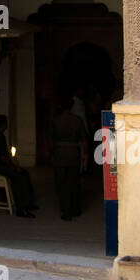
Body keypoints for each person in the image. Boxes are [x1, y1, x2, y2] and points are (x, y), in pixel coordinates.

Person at [0, 114, 38, 217]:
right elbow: (3, 157)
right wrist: (13, 166)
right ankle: (22, 207)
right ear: (3, 124)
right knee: (19, 178)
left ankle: (29, 202)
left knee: (24, 173)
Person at [50, 92, 85, 220]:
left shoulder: (55, 120)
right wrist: (84, 156)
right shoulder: (78, 120)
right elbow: (83, 140)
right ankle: (74, 208)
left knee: (61, 183)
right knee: (73, 183)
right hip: (73, 154)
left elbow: (51, 139)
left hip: (59, 154)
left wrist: (51, 154)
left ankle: (65, 209)